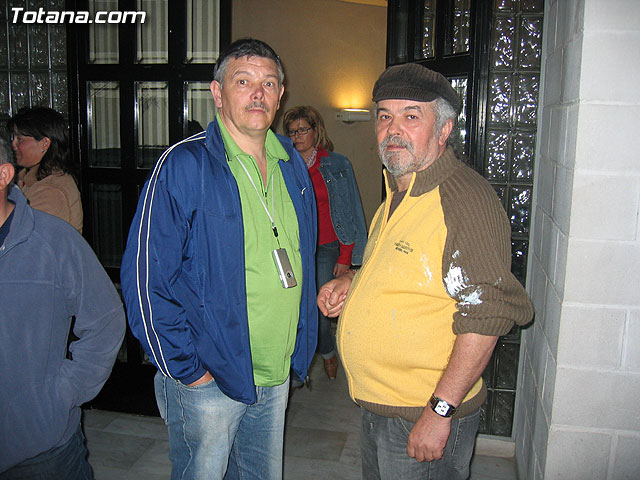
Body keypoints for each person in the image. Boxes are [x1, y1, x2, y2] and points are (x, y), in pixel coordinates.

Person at [318, 63, 534, 479]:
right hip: (381, 406)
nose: (393, 130)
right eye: (385, 116)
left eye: (411, 116)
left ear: (444, 129)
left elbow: (486, 315)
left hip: (422, 412)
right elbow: (416, 271)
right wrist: (352, 281)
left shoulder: (463, 201)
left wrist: (439, 412)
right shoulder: (400, 190)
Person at [120, 38, 317, 480]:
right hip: (209, 376)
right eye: (243, 81)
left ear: (281, 95)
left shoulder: (291, 164)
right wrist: (189, 371)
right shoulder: (184, 165)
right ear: (218, 92)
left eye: (269, 83)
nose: (258, 93)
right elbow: (144, 279)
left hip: (274, 372)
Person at [0, 141, 125, 478]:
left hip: (39, 449)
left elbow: (105, 320)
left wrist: (62, 392)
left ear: (3, 175)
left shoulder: (53, 242)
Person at [283, 106, 367, 380]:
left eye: (303, 130)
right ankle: (297, 369)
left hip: (327, 246)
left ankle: (327, 353)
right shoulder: (283, 165)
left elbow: (351, 209)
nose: (297, 136)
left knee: (318, 308)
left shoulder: (337, 163)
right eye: (292, 132)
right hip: (295, 247)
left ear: (315, 131)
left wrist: (346, 256)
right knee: (295, 309)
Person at [7, 106, 83, 233]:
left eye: (19, 139)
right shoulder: (29, 178)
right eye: (13, 138)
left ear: (45, 143)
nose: (13, 145)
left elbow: (21, 234)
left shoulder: (51, 190)